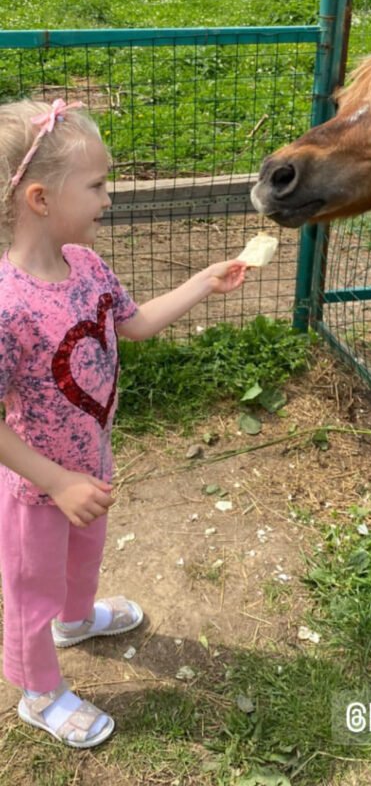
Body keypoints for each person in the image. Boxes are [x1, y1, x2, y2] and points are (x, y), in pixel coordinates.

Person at [0, 97, 247, 748]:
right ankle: (39, 691)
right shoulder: (7, 304)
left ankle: (77, 622)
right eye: (98, 185)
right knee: (31, 588)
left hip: (92, 465)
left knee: (85, 558)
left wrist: (203, 281)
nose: (110, 198)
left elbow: (133, 325)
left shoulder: (89, 267)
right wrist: (54, 483)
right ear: (41, 200)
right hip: (37, 488)